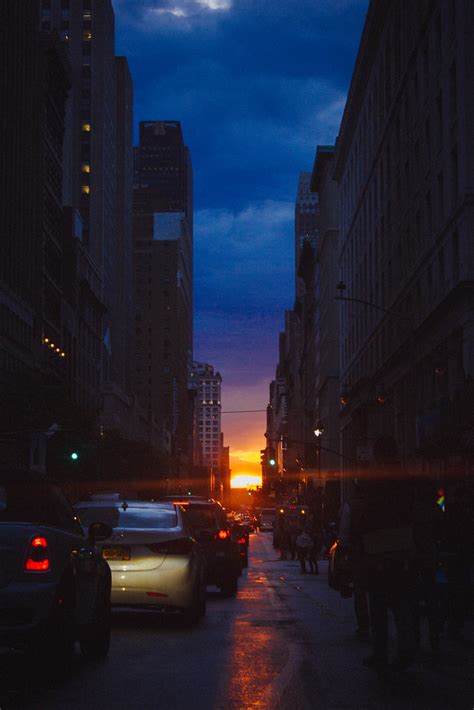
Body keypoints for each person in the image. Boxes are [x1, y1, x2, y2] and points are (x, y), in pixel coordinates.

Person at [353, 472, 417, 673]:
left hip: (378, 557)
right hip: (401, 556)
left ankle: (381, 654)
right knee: (401, 607)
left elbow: (363, 523)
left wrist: (359, 553)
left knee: (379, 610)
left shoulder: (374, 489)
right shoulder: (405, 485)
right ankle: (405, 651)